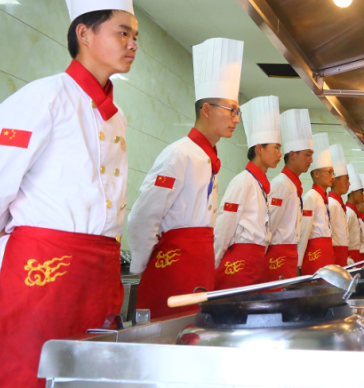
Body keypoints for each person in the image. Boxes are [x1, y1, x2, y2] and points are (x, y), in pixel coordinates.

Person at [0, 0, 137, 388]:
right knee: (27, 373)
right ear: (84, 33)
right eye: (122, 32)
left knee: (88, 377)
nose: (133, 44)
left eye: (135, 36)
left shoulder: (117, 116)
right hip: (42, 267)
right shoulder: (44, 97)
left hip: (98, 268)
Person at [127, 37, 243, 320]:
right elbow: (144, 215)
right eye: (231, 110)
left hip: (199, 266)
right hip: (173, 267)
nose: (236, 119)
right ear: (206, 110)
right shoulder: (179, 154)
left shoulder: (208, 158)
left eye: (237, 112)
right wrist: (141, 264)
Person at [214, 96, 280, 289]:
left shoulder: (260, 184)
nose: (279, 154)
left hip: (256, 262)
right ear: (260, 149)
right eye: (276, 148)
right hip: (239, 264)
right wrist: (213, 264)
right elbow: (225, 225)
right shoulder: (243, 181)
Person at [262, 109, 312, 283]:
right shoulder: (281, 184)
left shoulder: (292, 185)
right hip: (277, 257)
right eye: (307, 155)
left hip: (289, 255)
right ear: (292, 155)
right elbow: (269, 226)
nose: (311, 160)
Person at [299, 133, 335, 274]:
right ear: (316, 174)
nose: (332, 177)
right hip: (315, 256)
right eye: (329, 172)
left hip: (326, 253)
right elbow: (304, 230)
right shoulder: (311, 196)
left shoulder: (323, 199)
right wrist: (299, 263)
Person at [327, 145, 350, 266]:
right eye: (346, 180)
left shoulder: (339, 205)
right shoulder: (331, 204)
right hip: (335, 255)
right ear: (335, 181)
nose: (349, 184)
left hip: (342, 254)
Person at [345, 164, 364, 264]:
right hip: (350, 257)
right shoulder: (348, 212)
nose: (363, 195)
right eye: (361, 192)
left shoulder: (354, 213)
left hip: (356, 256)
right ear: (353, 193)